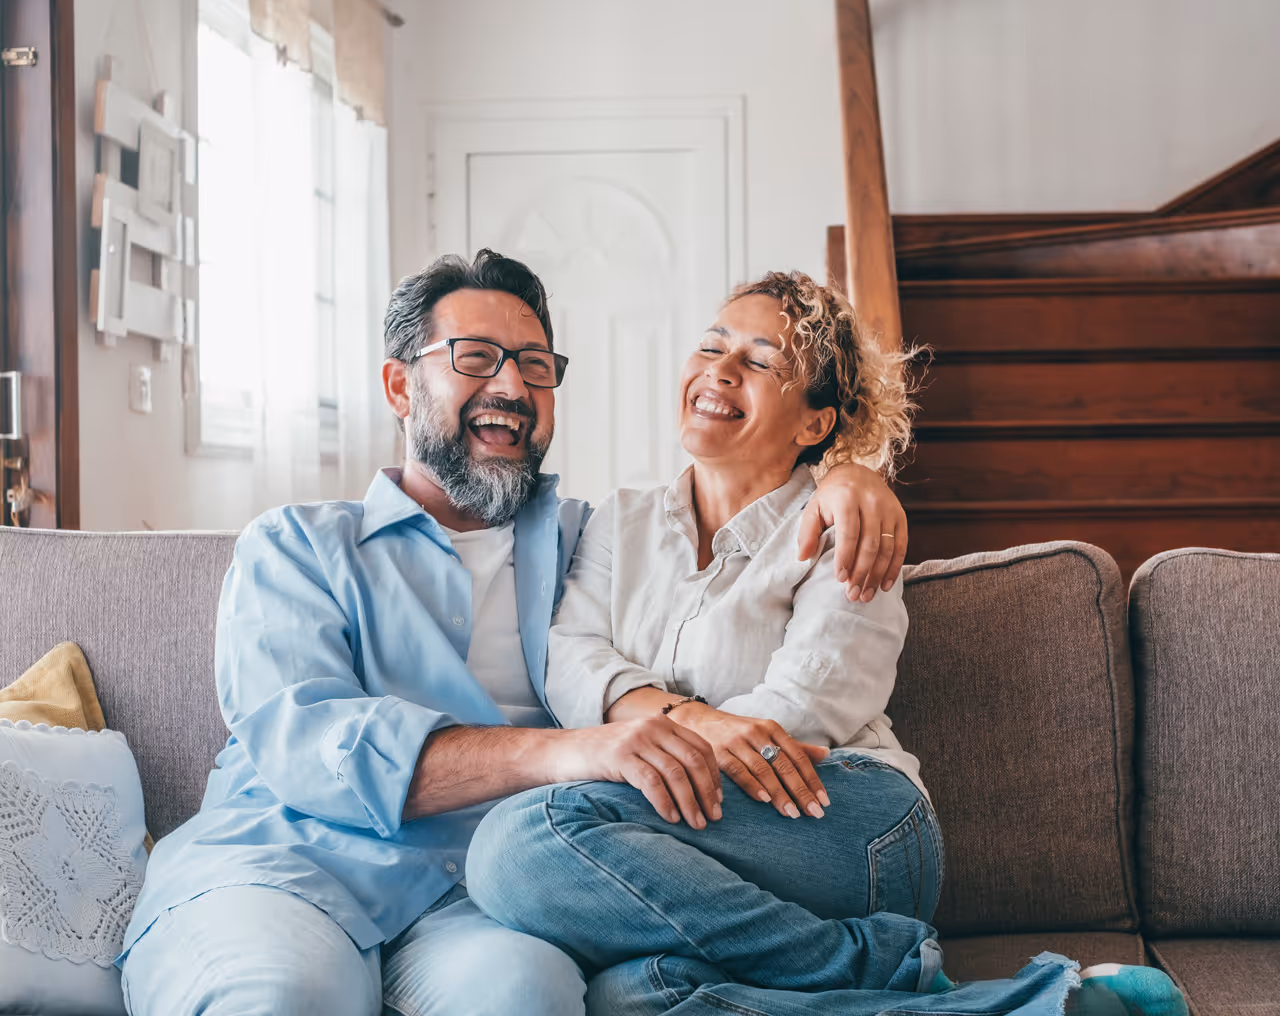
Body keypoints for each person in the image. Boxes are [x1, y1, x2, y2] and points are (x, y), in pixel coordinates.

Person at [117, 250, 910, 1016]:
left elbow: (750, 493)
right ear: (399, 385)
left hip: (475, 895)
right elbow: (309, 742)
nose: (511, 384)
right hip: (285, 869)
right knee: (283, 999)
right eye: (475, 357)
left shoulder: (584, 539)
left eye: (535, 365)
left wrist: (851, 476)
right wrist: (575, 750)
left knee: (530, 996)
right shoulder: (294, 545)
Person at [462, 271, 1188, 1016]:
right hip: (694, 829)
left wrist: (651, 739)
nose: (720, 369)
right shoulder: (623, 519)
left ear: (815, 425)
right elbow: (573, 658)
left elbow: (801, 711)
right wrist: (688, 721)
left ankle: (888, 967)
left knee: (520, 842)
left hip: (843, 814)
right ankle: (1031, 1008)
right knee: (632, 995)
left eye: (760, 360)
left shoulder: (848, 521)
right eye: (712, 346)